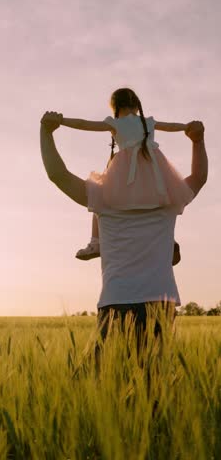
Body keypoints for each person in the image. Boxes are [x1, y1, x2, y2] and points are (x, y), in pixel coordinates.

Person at [40, 110, 207, 364]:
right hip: (161, 303)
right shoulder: (168, 199)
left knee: (98, 384)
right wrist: (197, 141)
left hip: (117, 300)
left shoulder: (103, 201)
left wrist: (46, 131)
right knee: (153, 388)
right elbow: (199, 177)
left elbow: (58, 174)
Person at [59, 88, 194, 265]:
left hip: (124, 172)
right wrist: (188, 128)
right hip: (153, 170)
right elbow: (171, 126)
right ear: (137, 106)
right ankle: (168, 241)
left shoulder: (116, 123)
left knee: (100, 198)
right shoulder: (148, 122)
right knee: (162, 203)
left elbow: (85, 124)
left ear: (115, 107)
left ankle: (96, 242)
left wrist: (61, 121)